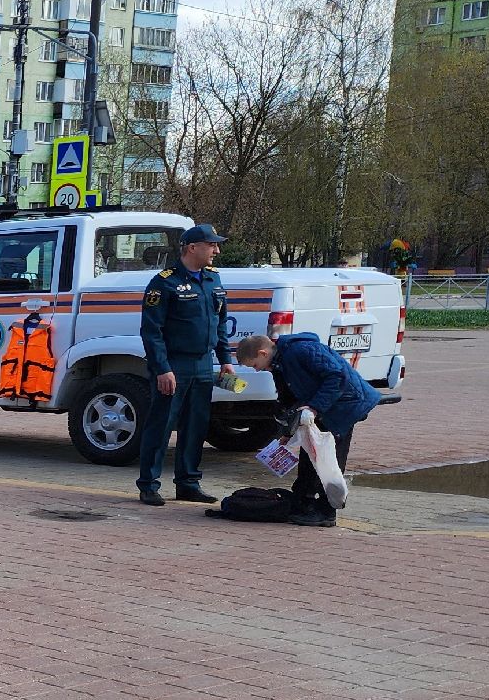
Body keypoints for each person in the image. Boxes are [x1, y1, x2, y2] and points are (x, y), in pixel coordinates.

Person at [234, 332, 381, 526]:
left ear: (262, 353)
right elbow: (288, 397)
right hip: (324, 408)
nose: (256, 370)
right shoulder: (278, 363)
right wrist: (287, 432)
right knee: (311, 456)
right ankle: (306, 502)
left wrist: (315, 407)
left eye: (254, 365)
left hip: (344, 406)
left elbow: (337, 376)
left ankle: (328, 511)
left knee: (329, 462)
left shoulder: (301, 350)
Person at [137, 223, 235, 507]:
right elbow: (151, 331)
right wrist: (162, 368)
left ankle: (188, 483)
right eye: (211, 245)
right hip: (174, 365)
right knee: (162, 424)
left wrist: (225, 360)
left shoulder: (213, 279)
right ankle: (149, 484)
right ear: (193, 248)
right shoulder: (164, 283)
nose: (216, 250)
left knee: (196, 426)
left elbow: (220, 324)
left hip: (203, 364)